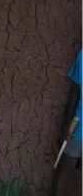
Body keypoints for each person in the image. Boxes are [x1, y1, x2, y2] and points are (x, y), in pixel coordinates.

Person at [54, 48, 82, 196]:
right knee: (66, 166)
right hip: (79, 124)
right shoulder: (82, 56)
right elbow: (74, 94)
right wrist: (66, 127)